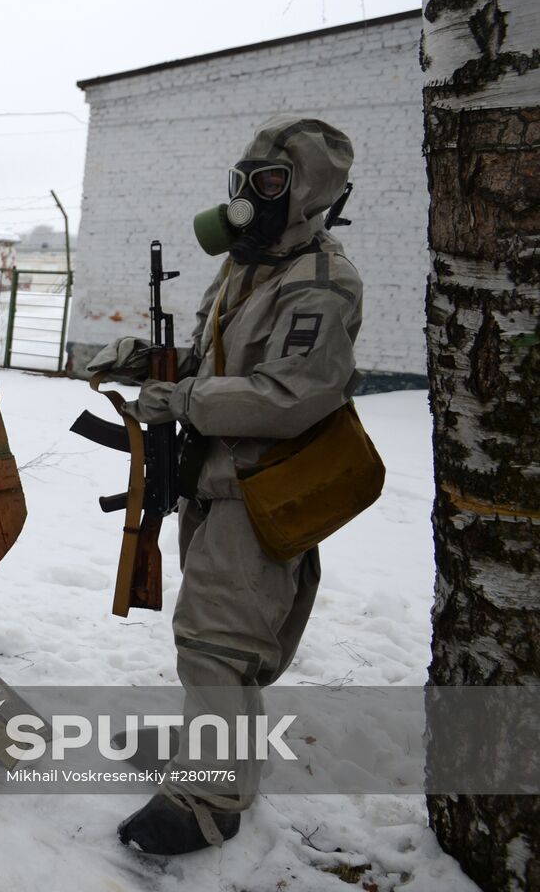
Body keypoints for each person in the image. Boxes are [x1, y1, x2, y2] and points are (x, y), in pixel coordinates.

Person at [88, 115, 362, 854]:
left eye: (270, 184)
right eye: (242, 183)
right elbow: (215, 357)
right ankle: (209, 743)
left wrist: (182, 401)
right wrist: (147, 360)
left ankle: (210, 800)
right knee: (215, 635)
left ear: (309, 194)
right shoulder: (249, 265)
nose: (247, 200)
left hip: (263, 483)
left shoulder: (321, 285)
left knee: (218, 639)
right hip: (216, 476)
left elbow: (292, 396)